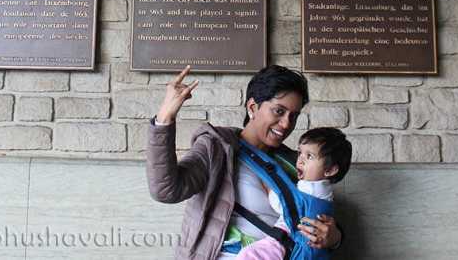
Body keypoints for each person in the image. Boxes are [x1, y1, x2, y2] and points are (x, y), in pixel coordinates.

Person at [146, 65, 344, 259]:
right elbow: (166, 190)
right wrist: (165, 117)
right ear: (253, 107)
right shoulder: (216, 147)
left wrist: (335, 237)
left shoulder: (296, 163)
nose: (286, 124)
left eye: (293, 116)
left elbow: (312, 211)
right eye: (278, 111)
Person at [236, 127, 352, 260]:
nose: (300, 160)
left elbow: (284, 203)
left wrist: (267, 184)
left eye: (309, 156)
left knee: (249, 255)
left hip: (286, 244)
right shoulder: (322, 190)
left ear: (330, 170)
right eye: (299, 153)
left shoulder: (310, 188)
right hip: (291, 244)